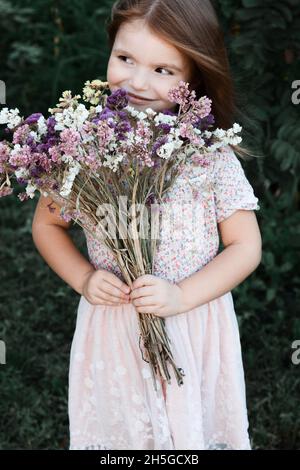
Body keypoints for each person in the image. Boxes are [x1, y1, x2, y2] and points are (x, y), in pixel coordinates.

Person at [31, 0, 262, 450]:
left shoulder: (208, 153)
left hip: (193, 322)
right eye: (125, 59)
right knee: (124, 436)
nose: (136, 81)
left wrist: (181, 296)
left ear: (193, 77)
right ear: (110, 49)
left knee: (190, 435)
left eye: (163, 70)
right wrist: (84, 278)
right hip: (114, 326)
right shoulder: (84, 146)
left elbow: (245, 247)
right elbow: (47, 226)